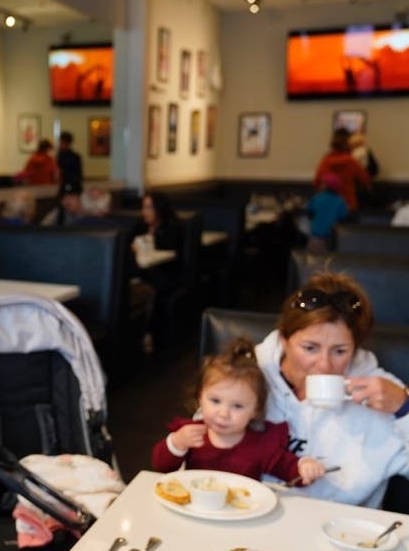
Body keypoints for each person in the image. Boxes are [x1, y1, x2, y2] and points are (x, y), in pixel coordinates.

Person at [254, 272, 409, 507]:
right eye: (310, 348)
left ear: (355, 348)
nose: (324, 365)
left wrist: (407, 409)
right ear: (284, 339)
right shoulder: (247, 375)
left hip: (345, 526)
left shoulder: (382, 396)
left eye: (340, 351)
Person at [152, 338, 326, 485]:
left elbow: (290, 471)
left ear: (255, 410)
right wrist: (177, 443)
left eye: (237, 406)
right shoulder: (191, 434)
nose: (223, 414)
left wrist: (305, 467)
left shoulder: (261, 445)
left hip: (242, 511)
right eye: (215, 401)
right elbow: (161, 466)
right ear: (200, 397)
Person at [135, 191, 185, 353]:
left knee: (151, 287)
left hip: (168, 272)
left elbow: (171, 254)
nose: (145, 212)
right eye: (143, 207)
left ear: (160, 208)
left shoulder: (173, 228)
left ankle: (148, 332)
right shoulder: (140, 226)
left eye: (149, 207)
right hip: (146, 271)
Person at [313, 128, 370, 212]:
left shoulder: (325, 161)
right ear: (348, 145)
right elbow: (365, 180)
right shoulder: (351, 161)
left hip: (329, 206)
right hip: (348, 205)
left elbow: (316, 183)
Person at [306, 170, 350, 253]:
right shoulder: (340, 201)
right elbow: (344, 217)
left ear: (326, 186)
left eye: (322, 183)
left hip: (316, 235)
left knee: (314, 258)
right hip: (332, 237)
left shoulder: (317, 198)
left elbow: (309, 213)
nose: (320, 185)